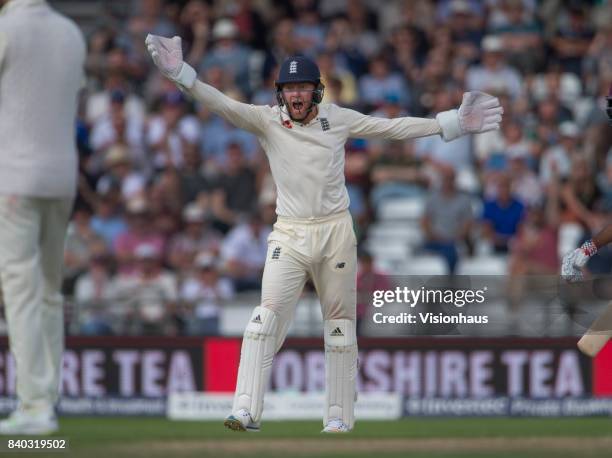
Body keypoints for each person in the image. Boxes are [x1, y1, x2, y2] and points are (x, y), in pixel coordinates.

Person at [145, 34, 502, 433]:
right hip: (290, 234)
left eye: (302, 87)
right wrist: (182, 75)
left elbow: (391, 128)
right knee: (264, 321)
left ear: (315, 91)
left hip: (336, 232)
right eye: (289, 88)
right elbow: (224, 105)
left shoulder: (338, 118)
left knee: (339, 326)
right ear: (280, 93)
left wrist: (450, 122)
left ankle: (338, 417)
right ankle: (245, 409)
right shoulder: (267, 120)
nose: (295, 95)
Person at [0, 0, 85, 434]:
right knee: (50, 291)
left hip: (15, 175)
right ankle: (47, 400)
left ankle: (34, 406)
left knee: (22, 290)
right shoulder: (71, 32)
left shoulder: (7, 27)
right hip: (61, 177)